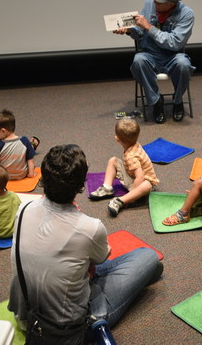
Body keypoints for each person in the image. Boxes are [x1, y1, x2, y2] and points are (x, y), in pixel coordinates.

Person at [8, 144, 162, 344]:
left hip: (24, 312)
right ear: (81, 184)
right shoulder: (90, 227)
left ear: (43, 177)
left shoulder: (24, 207)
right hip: (67, 325)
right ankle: (96, 319)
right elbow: (101, 257)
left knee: (77, 265)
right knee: (147, 257)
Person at [113, 0, 195, 124]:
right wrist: (129, 30)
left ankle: (177, 101)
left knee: (184, 64)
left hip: (173, 56)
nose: (155, 2)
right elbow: (140, 32)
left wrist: (149, 27)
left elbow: (174, 42)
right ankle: (156, 102)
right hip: (150, 54)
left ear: (171, 3)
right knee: (138, 60)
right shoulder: (149, 3)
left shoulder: (187, 14)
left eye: (159, 1)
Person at [90, 118, 159, 217]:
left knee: (147, 185)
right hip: (133, 177)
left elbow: (140, 177)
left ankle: (121, 201)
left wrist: (129, 196)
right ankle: (107, 188)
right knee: (113, 160)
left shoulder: (131, 156)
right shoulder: (135, 144)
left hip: (141, 184)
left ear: (117, 139)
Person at [0, 109, 38, 181]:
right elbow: (30, 160)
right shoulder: (24, 140)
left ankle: (33, 144)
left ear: (3, 131)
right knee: (28, 150)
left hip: (4, 177)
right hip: (22, 175)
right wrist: (31, 174)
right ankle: (33, 144)